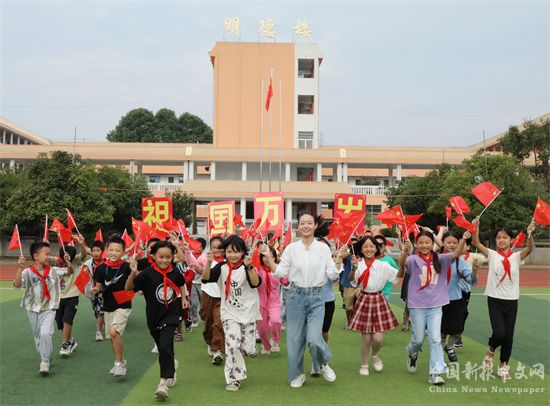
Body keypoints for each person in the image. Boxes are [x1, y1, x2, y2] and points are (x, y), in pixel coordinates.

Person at [260, 212, 346, 388]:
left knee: (314, 339)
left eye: (309, 223)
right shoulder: (291, 249)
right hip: (295, 296)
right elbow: (280, 272)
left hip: (317, 297)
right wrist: (268, 257)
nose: (306, 226)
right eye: (302, 223)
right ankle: (297, 374)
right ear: (298, 226)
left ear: (315, 226)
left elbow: (332, 274)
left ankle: (322, 362)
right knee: (294, 340)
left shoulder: (323, 249)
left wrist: (338, 260)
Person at [469, 217, 536, 381]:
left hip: (512, 301)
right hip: (494, 299)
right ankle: (491, 349)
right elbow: (476, 243)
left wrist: (529, 233)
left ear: (511, 240)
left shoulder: (516, 257)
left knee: (508, 337)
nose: (501, 240)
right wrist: (475, 227)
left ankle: (503, 366)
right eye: (498, 238)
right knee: (499, 333)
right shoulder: (492, 255)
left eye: (505, 237)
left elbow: (530, 248)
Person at [398, 229, 465, 385]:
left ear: (432, 243)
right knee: (418, 339)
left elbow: (456, 253)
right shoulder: (413, 259)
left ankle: (436, 373)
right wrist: (405, 251)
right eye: (420, 243)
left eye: (427, 242)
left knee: (435, 339)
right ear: (416, 244)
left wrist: (464, 238)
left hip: (436, 306)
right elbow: (402, 265)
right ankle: (412, 353)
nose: (424, 245)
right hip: (417, 305)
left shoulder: (441, 259)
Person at [126, 241, 188, 400]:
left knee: (166, 345)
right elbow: (128, 288)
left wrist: (184, 298)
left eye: (168, 257)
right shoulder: (146, 274)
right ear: (153, 256)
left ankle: (162, 384)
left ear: (172, 257)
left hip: (172, 314)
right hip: (154, 316)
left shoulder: (175, 272)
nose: (165, 260)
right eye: (161, 257)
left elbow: (181, 283)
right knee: (163, 348)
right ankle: (171, 364)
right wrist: (133, 273)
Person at [202, 235, 261, 392]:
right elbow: (206, 278)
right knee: (232, 345)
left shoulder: (246, 266)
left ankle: (251, 349)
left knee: (248, 349)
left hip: (248, 312)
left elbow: (255, 283)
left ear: (242, 252)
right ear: (224, 252)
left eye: (236, 251)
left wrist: (250, 267)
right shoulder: (221, 267)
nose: (232, 255)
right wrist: (208, 263)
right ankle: (234, 379)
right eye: (229, 251)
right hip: (229, 312)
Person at [13, 242, 74, 375]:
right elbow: (17, 285)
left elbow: (70, 271)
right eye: (46, 254)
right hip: (32, 309)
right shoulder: (28, 272)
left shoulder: (53, 271)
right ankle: (46, 356)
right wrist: (19, 267)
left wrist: (68, 262)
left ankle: (45, 361)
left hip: (49, 309)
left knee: (46, 333)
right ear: (36, 256)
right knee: (38, 336)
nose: (49, 257)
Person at [348, 236, 404, 376]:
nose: (369, 249)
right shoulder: (358, 264)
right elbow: (352, 280)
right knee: (366, 338)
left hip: (379, 299)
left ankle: (374, 355)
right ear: (361, 249)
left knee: (378, 339)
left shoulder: (382, 265)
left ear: (376, 248)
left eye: (372, 246)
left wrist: (402, 263)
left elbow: (397, 276)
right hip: (364, 299)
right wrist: (353, 268)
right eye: (365, 246)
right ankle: (364, 364)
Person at [91, 236, 133, 377]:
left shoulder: (127, 266)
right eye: (111, 250)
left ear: (123, 252)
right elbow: (98, 285)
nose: (114, 253)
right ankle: (121, 360)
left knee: (114, 333)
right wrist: (95, 289)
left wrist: (134, 272)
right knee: (111, 337)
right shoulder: (101, 268)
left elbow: (134, 281)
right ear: (106, 251)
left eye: (117, 250)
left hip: (124, 304)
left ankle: (118, 364)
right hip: (108, 305)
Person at [187, 236, 226, 365]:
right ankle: (210, 342)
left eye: (220, 247)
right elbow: (193, 263)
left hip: (222, 296)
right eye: (214, 247)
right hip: (208, 294)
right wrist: (187, 251)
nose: (217, 250)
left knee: (217, 323)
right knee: (208, 321)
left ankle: (217, 351)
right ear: (210, 248)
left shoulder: (228, 260)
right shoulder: (205, 258)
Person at [439, 231, 476, 363]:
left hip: (456, 300)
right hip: (439, 301)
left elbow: (471, 280)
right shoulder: (437, 259)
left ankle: (449, 347)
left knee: (457, 331)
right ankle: (439, 355)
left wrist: (474, 270)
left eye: (455, 242)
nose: (452, 245)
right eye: (449, 242)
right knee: (442, 331)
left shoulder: (460, 262)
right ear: (443, 243)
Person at [257, 245, 282, 355]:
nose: (268, 259)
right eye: (265, 256)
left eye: (271, 257)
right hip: (260, 303)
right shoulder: (257, 270)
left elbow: (286, 281)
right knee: (262, 328)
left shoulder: (278, 270)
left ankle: (275, 340)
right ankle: (266, 345)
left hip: (274, 303)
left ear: (275, 258)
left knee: (276, 321)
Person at [81, 240, 105, 341]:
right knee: (96, 311)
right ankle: (101, 323)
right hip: (93, 291)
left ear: (102, 251)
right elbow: (83, 277)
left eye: (98, 250)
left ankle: (98, 332)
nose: (95, 252)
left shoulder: (107, 262)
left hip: (104, 291)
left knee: (101, 311)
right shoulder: (88, 264)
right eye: (94, 250)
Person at [374, 235, 398, 302]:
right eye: (376, 244)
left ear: (385, 246)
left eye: (381, 244)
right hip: (370, 293)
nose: (378, 246)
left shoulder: (390, 261)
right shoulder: (368, 259)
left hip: (384, 293)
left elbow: (396, 276)